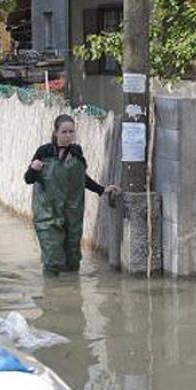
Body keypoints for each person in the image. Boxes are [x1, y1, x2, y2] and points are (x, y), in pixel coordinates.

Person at [24, 114, 119, 275]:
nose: (68, 136)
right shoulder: (44, 152)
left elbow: (83, 179)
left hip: (72, 213)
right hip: (48, 214)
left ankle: (72, 294)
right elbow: (28, 179)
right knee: (52, 259)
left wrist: (102, 190)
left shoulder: (76, 153)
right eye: (64, 132)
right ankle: (51, 295)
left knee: (73, 259)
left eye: (71, 132)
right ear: (56, 133)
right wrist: (33, 168)